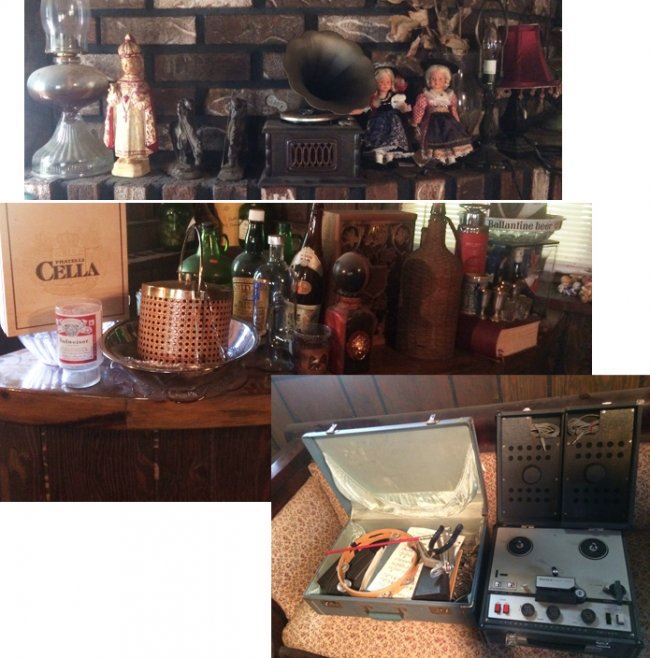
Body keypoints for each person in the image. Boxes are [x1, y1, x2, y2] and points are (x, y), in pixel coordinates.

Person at [104, 34, 158, 177]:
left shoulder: (142, 84)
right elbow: (113, 103)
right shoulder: (119, 84)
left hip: (136, 119)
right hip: (122, 120)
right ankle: (124, 157)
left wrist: (138, 98)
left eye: (131, 63)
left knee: (136, 137)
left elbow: (147, 105)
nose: (128, 67)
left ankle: (137, 158)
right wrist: (113, 94)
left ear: (139, 64)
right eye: (125, 64)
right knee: (122, 137)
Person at [411, 63, 473, 166]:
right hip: (433, 122)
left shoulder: (450, 95)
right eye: (433, 79)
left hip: (449, 121)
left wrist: (457, 121)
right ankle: (440, 160)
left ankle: (451, 160)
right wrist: (416, 122)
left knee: (451, 138)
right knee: (436, 140)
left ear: (446, 81)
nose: (436, 82)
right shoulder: (425, 95)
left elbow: (453, 109)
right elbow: (419, 109)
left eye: (440, 79)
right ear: (428, 80)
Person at [363, 67, 412, 165]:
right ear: (376, 83)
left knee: (391, 142)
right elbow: (367, 108)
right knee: (379, 142)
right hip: (378, 123)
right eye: (382, 82)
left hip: (392, 123)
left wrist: (404, 108)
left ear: (391, 83)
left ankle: (390, 161)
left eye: (388, 82)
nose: (385, 85)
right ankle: (378, 161)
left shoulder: (395, 97)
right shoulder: (374, 98)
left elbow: (400, 106)